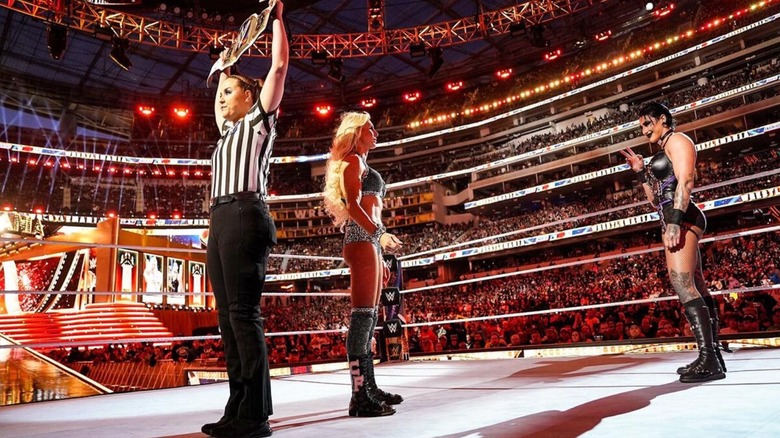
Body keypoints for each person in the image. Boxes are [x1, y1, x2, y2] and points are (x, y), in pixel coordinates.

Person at [201, 2, 288, 437]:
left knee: (242, 313)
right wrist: (222, 70)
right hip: (220, 219)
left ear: (249, 98)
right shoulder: (227, 131)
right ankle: (237, 409)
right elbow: (216, 103)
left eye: (230, 91)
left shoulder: (258, 121)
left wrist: (275, 20)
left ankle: (255, 416)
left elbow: (279, 66)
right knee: (227, 318)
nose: (221, 98)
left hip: (244, 213)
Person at [621, 102, 725, 383]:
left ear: (663, 119)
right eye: (641, 127)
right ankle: (713, 354)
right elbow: (655, 200)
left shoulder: (679, 140)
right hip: (673, 218)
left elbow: (686, 181)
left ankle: (709, 358)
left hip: (684, 218)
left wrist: (676, 221)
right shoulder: (660, 151)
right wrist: (641, 172)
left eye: (647, 124)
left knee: (681, 281)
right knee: (695, 283)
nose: (644, 131)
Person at [322, 111, 404, 417]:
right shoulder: (354, 160)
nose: (376, 132)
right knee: (362, 317)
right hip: (362, 239)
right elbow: (355, 206)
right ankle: (359, 395)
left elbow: (370, 211)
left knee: (369, 318)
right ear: (357, 133)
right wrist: (380, 237)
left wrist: (379, 250)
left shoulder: (362, 163)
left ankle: (368, 387)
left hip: (367, 242)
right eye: (371, 128)